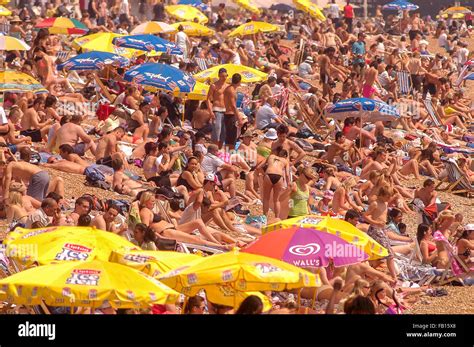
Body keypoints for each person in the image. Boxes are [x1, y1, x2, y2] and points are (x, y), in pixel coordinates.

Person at [207, 68, 228, 149]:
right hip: (217, 109)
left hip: (225, 111)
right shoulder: (214, 85)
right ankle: (214, 149)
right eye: (222, 76)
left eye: (225, 76)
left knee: (224, 133)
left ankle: (218, 149)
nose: (224, 78)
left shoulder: (228, 86)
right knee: (216, 132)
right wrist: (210, 111)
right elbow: (208, 99)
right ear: (219, 76)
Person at [223, 73, 244, 150]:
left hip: (228, 115)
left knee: (230, 139)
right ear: (239, 81)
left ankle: (228, 156)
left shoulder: (229, 88)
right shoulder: (231, 90)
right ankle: (229, 158)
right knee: (231, 140)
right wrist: (239, 118)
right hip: (230, 116)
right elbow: (233, 105)